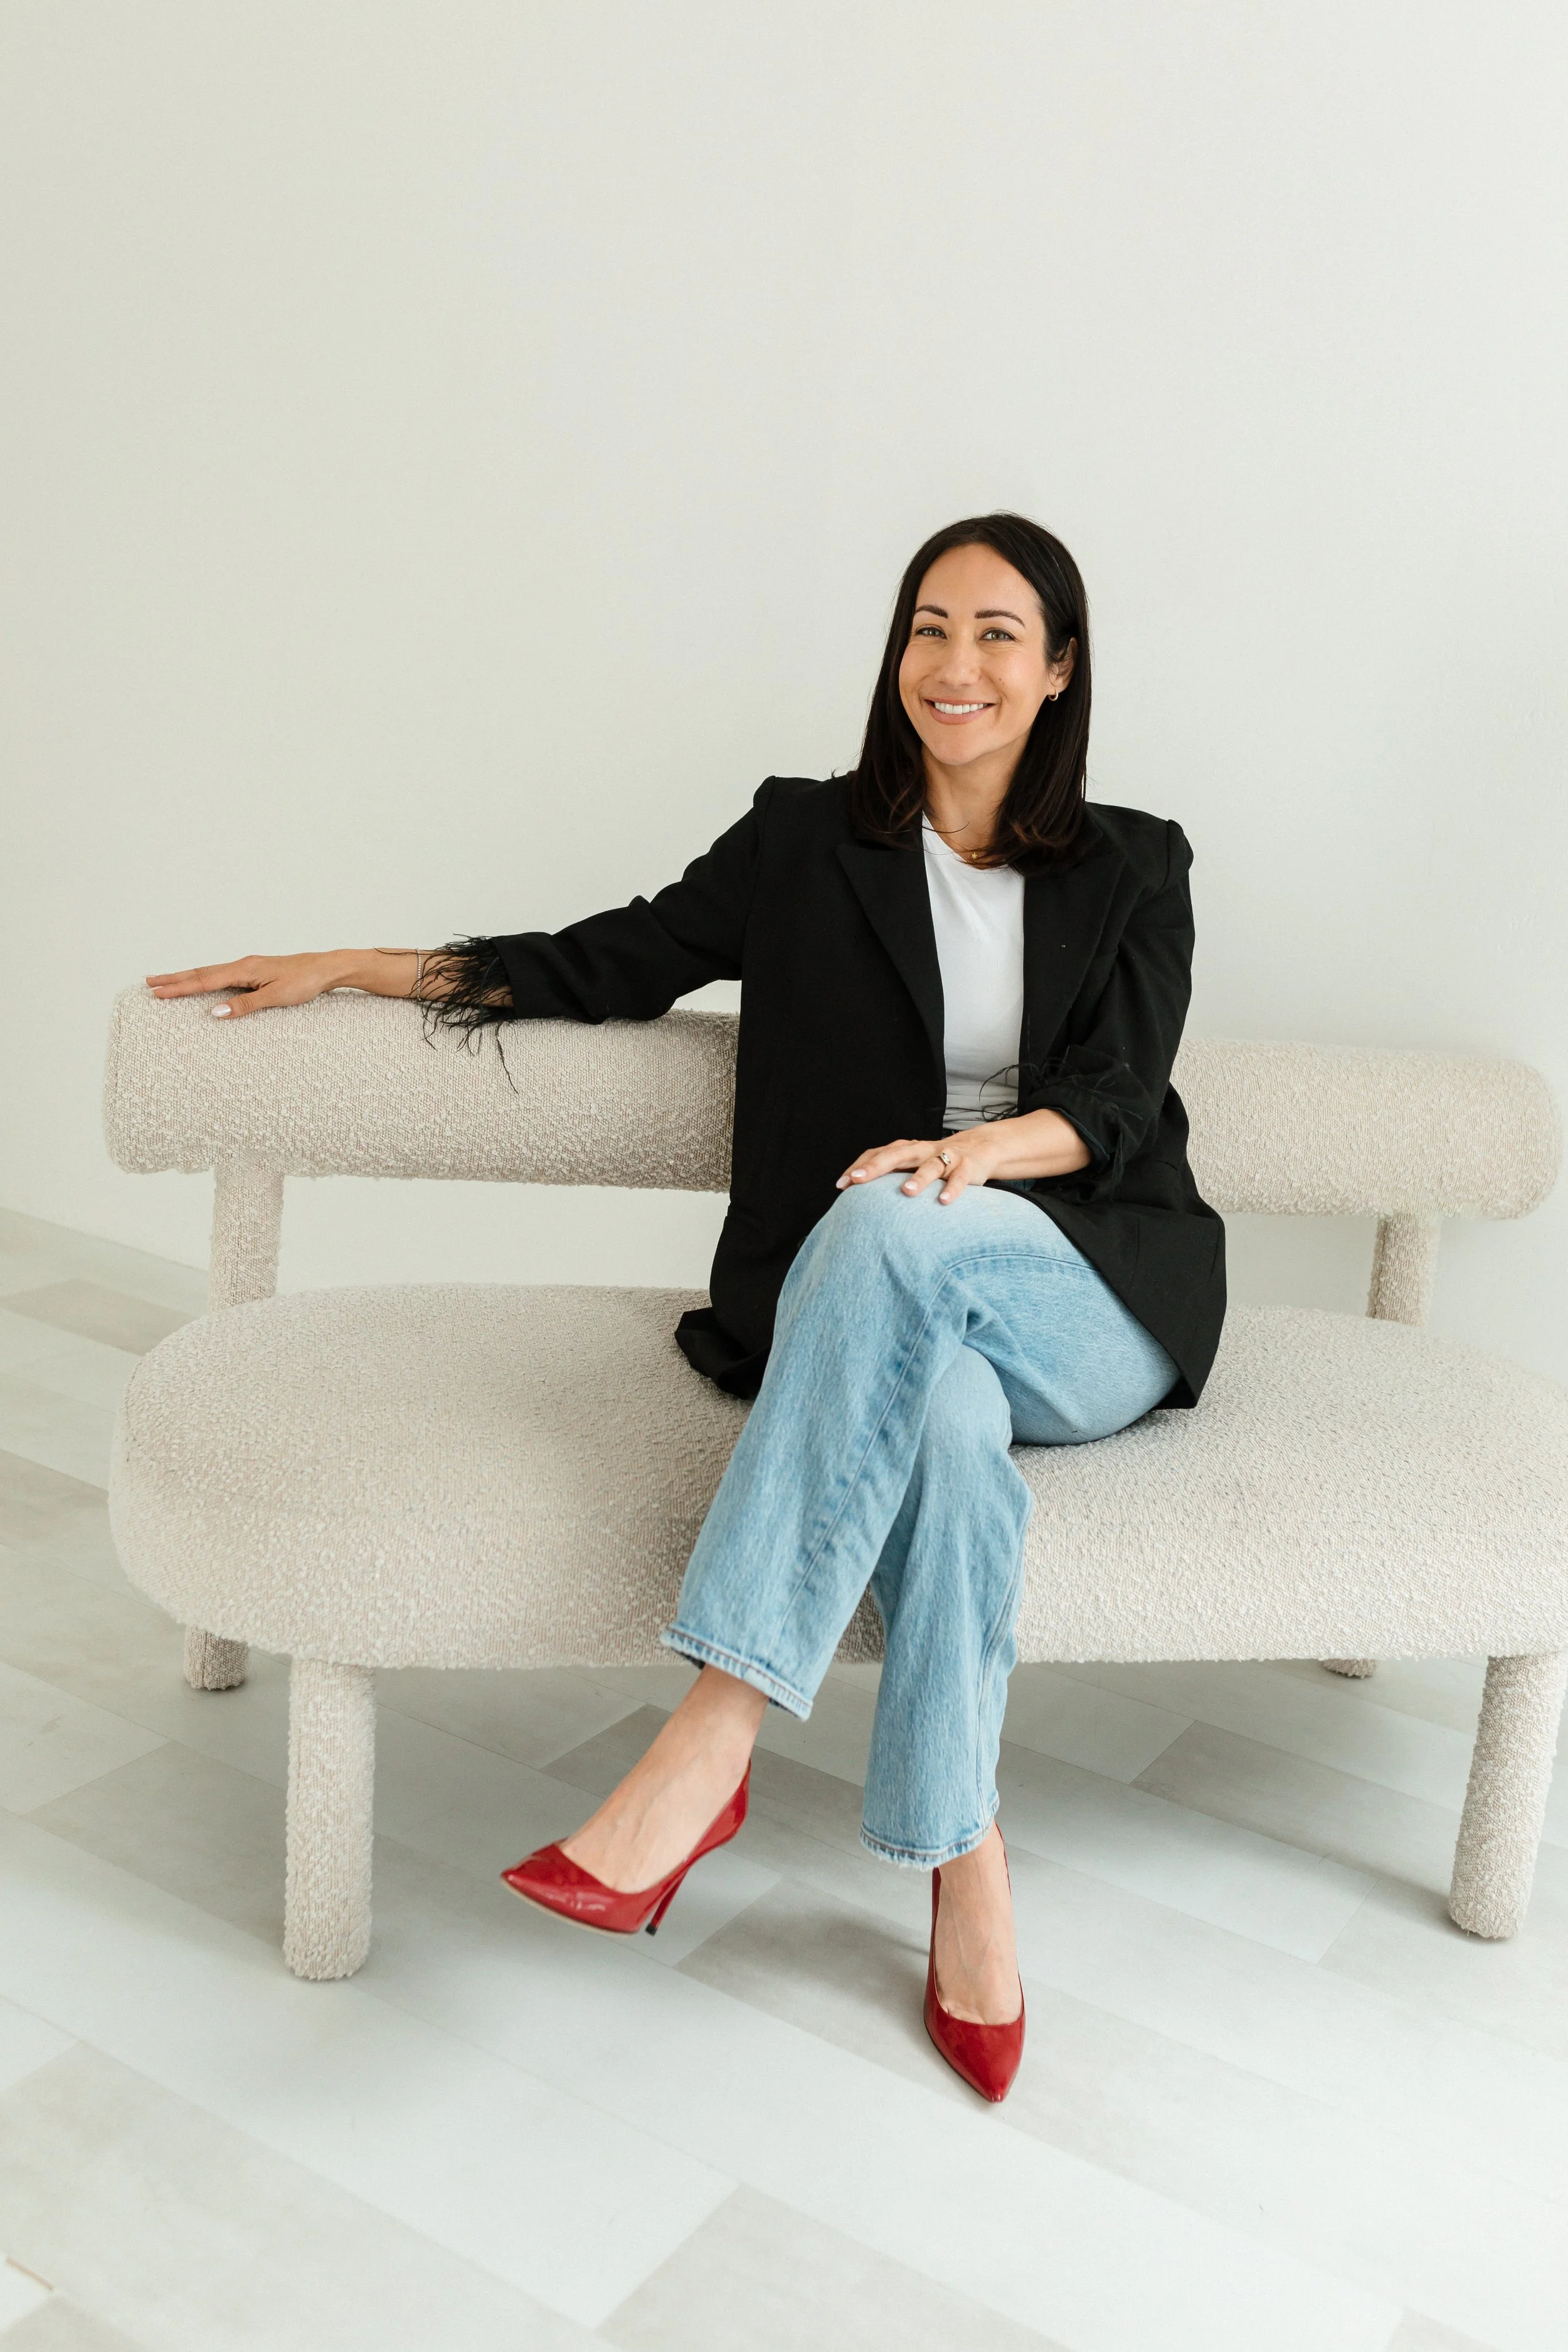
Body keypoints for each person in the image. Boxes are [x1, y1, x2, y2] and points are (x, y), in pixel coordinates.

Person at [147, 512, 1224, 2102]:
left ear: (1058, 669)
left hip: (1084, 1285)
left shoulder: (1136, 860)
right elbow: (609, 961)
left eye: (998, 633)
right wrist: (361, 965)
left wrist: (970, 1159)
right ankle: (965, 1863)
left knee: (890, 1219)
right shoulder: (804, 839)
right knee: (935, 1416)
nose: (955, 663)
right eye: (928, 627)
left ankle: (712, 1732)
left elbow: (1121, 1100)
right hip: (886, 1308)